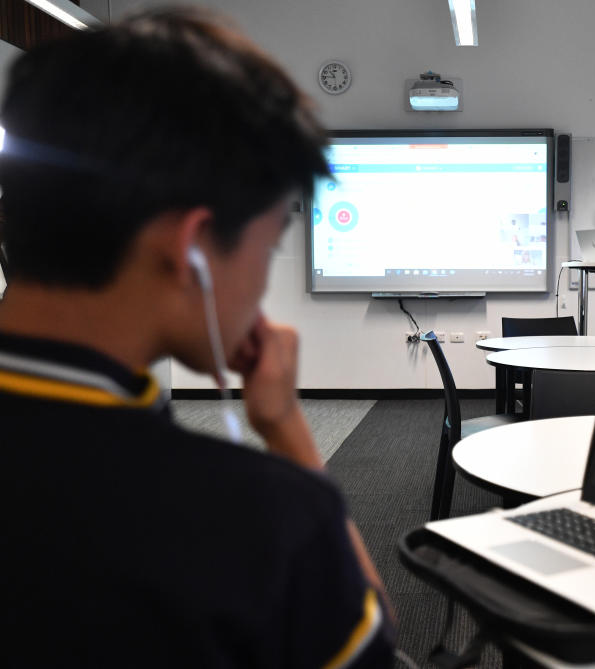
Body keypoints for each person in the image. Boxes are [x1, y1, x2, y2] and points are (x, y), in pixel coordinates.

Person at [0, 9, 394, 667]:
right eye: (269, 246)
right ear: (193, 251)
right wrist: (288, 429)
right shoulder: (263, 520)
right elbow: (375, 643)